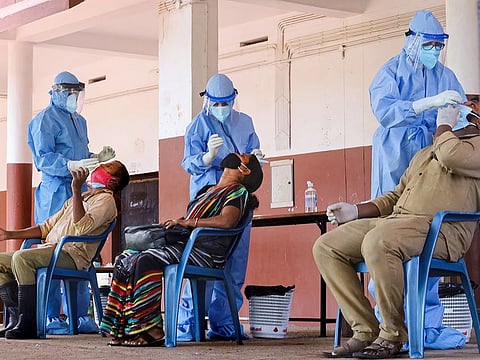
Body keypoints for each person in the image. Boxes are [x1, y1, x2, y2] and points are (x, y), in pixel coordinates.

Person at [312, 103, 480, 358]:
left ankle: (393, 334)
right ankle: (365, 330)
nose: (456, 108)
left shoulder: (473, 148)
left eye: (467, 106)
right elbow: (396, 195)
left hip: (442, 231)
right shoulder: (425, 153)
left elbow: (449, 155)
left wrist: (444, 125)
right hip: (398, 222)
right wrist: (355, 210)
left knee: (379, 241)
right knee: (326, 246)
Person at [368, 10, 466, 345]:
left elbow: (463, 116)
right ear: (412, 41)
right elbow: (384, 110)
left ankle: (425, 326)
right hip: (395, 160)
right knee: (387, 233)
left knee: (426, 240)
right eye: (428, 45)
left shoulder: (447, 75)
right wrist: (426, 104)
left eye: (438, 46)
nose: (434, 51)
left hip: (433, 165)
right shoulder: (389, 73)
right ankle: (390, 323)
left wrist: (457, 112)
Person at [100, 153, 263, 347]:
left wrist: (188, 223)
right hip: (186, 246)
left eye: (244, 156)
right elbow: (189, 220)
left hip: (204, 253)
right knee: (125, 259)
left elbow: (227, 221)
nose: (238, 153)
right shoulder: (207, 190)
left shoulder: (238, 192)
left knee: (146, 260)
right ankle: (124, 327)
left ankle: (152, 329)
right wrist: (177, 224)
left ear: (245, 170)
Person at [27, 71, 117, 335]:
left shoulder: (80, 121)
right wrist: (69, 165)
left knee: (80, 251)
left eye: (76, 94)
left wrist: (95, 157)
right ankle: (52, 316)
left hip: (79, 191)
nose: (73, 98)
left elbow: (79, 155)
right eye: (69, 93)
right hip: (55, 192)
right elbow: (44, 159)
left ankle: (79, 316)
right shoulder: (44, 120)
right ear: (56, 92)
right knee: (53, 251)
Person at [0, 160, 130, 339]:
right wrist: (9, 234)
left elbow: (83, 227)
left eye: (107, 167)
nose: (100, 167)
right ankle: (15, 321)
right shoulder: (81, 199)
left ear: (113, 181)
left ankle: (28, 322)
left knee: (22, 259)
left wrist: (76, 190)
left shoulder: (106, 201)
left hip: (73, 256)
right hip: (53, 250)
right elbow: (46, 227)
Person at [179, 73, 264, 340]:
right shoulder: (198, 126)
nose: (221, 108)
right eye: (216, 104)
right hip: (209, 199)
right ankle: (188, 325)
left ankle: (225, 323)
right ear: (208, 102)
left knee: (235, 265)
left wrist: (255, 160)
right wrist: (206, 158)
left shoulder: (245, 123)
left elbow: (254, 159)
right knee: (203, 262)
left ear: (233, 99)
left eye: (226, 103)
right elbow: (188, 162)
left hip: (239, 199)